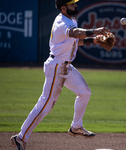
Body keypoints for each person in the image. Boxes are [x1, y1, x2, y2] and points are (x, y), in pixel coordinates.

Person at [10, 0, 111, 149]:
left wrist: (94, 40)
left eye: (75, 3)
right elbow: (75, 33)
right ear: (63, 8)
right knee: (45, 105)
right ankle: (21, 137)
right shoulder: (62, 21)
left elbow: (75, 41)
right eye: (71, 4)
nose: (75, 6)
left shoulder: (71, 20)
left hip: (66, 67)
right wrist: (95, 30)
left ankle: (76, 127)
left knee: (84, 92)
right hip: (56, 67)